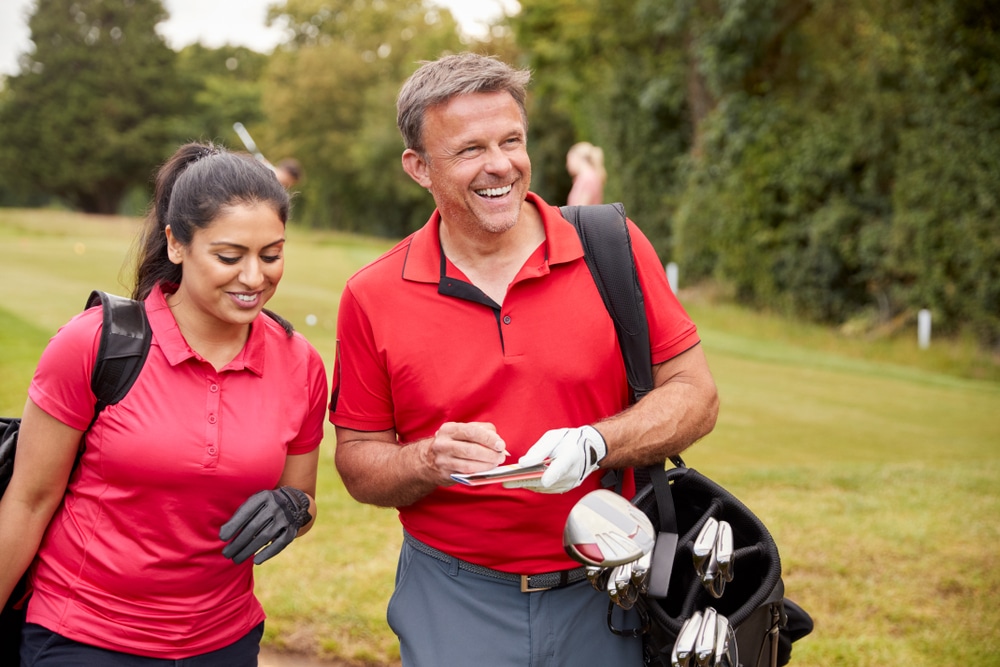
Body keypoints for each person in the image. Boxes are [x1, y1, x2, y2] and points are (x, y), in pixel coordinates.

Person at [330, 53, 719, 666]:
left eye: (512, 140)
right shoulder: (372, 294)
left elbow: (695, 396)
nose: (500, 165)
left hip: (612, 587)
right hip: (452, 597)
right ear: (418, 167)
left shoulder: (611, 246)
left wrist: (597, 441)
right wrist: (428, 459)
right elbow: (357, 463)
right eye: (469, 150)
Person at [0, 142, 328, 665]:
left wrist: (294, 508)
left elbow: (302, 498)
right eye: (229, 256)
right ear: (177, 244)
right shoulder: (92, 344)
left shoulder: (301, 364)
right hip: (82, 636)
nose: (253, 278)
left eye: (271, 255)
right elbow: (28, 501)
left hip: (223, 641)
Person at [565, 141, 606, 206]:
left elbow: (581, 210)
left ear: (577, 157)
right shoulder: (585, 178)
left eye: (569, 159)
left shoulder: (588, 179)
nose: (567, 165)